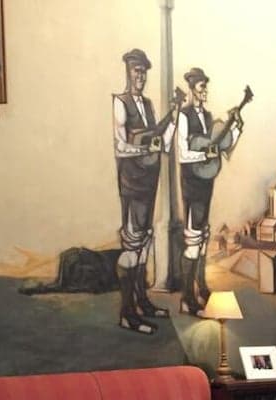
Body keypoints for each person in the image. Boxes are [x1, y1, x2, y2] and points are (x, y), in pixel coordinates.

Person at [113, 48, 177, 334]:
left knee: (144, 241)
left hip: (149, 180)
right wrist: (144, 148)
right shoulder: (120, 102)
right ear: (128, 71)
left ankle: (142, 303)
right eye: (136, 71)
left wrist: (173, 119)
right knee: (131, 244)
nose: (140, 76)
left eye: (144, 72)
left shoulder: (149, 105)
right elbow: (120, 146)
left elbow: (162, 143)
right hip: (132, 183)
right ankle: (127, 313)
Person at [177, 67, 243, 316]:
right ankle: (186, 298)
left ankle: (202, 287)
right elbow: (183, 154)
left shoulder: (208, 116)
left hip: (206, 182)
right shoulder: (184, 116)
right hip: (192, 184)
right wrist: (204, 154)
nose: (205, 91)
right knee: (193, 238)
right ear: (192, 89)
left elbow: (222, 146)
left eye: (206, 86)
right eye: (202, 86)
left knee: (203, 237)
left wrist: (236, 128)